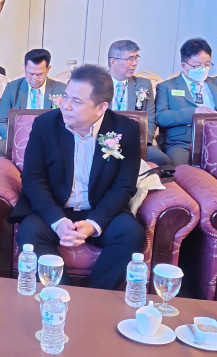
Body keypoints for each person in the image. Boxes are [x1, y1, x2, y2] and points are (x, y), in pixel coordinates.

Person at [10, 64, 144, 290]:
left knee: (130, 234)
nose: (66, 106)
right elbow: (33, 178)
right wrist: (57, 221)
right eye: (65, 97)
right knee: (30, 233)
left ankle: (95, 296)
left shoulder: (125, 130)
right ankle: (60, 294)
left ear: (101, 107)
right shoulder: (45, 125)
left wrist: (94, 223)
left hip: (99, 208)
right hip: (54, 207)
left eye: (77, 101)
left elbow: (124, 186)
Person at [155, 38, 217, 166]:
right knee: (182, 170)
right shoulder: (167, 87)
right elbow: (161, 117)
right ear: (183, 65)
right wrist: (195, 112)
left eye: (207, 65)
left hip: (215, 141)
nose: (203, 69)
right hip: (181, 143)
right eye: (197, 66)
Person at [0, 48, 65, 164]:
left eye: (39, 74)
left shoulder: (61, 89)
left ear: (48, 69)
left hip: (49, 140)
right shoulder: (12, 88)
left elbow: (66, 122)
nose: (34, 79)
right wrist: (17, 137)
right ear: (25, 68)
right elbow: (1, 122)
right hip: (17, 137)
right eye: (30, 74)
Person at [106, 39, 171, 166]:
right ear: (113, 61)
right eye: (130, 59)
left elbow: (150, 119)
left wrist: (141, 141)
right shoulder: (95, 82)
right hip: (102, 139)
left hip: (135, 141)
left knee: (164, 161)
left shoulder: (143, 85)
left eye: (136, 58)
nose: (135, 63)